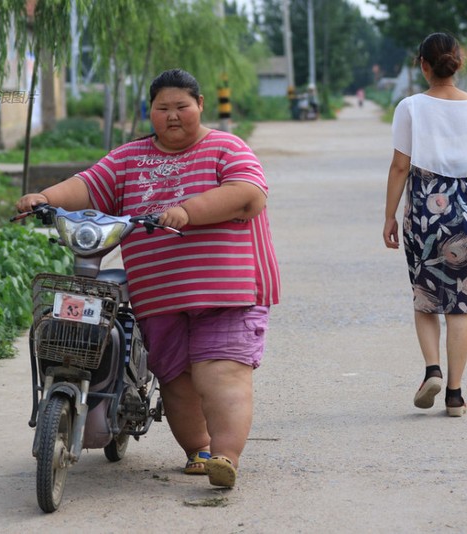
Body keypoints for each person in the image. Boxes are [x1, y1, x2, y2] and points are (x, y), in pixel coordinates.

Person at [16, 68, 281, 488]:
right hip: (159, 296)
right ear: (150, 111)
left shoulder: (226, 147)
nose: (173, 116)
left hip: (225, 291)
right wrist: (45, 198)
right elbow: (88, 185)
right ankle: (199, 451)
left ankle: (225, 457)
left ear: (200, 106)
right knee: (174, 376)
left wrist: (189, 211)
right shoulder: (128, 158)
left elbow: (249, 195)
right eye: (163, 108)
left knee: (220, 373)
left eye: (182, 106)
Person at [382, 33, 467, 417]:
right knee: (460, 305)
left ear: (423, 65)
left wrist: (389, 215)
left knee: (426, 297)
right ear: (458, 62)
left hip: (425, 209)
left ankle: (432, 369)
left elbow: (400, 165)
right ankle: (454, 394)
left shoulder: (411, 107)